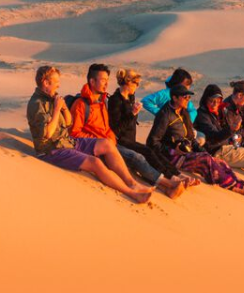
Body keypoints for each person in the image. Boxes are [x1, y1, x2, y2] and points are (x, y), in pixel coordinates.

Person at [25, 65, 152, 204]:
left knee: (106, 144)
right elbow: (48, 134)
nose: (59, 85)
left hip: (67, 142)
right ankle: (131, 193)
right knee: (95, 162)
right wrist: (56, 110)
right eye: (56, 82)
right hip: (52, 149)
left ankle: (132, 183)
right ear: (46, 83)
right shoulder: (36, 104)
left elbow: (68, 123)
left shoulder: (52, 97)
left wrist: (64, 108)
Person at [69, 63, 187, 199]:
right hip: (98, 145)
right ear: (92, 81)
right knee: (137, 157)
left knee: (141, 155)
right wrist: (100, 140)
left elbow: (107, 128)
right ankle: (169, 183)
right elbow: (75, 134)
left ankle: (169, 182)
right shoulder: (81, 104)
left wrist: (110, 137)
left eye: (107, 80)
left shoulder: (102, 102)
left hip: (110, 143)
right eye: (103, 80)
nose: (106, 84)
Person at [147, 85, 244, 201]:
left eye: (189, 97)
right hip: (171, 157)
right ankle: (237, 189)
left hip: (185, 152)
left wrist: (204, 152)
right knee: (206, 161)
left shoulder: (183, 113)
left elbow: (191, 139)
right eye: (185, 97)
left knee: (221, 163)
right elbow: (152, 142)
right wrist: (173, 150)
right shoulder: (164, 115)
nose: (188, 100)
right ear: (174, 98)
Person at [108, 67, 200, 190]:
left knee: (153, 153)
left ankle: (177, 174)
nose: (137, 86)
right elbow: (115, 130)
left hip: (130, 140)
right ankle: (171, 178)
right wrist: (133, 114)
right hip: (121, 141)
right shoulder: (116, 100)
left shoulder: (130, 97)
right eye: (136, 83)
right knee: (148, 152)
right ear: (128, 82)